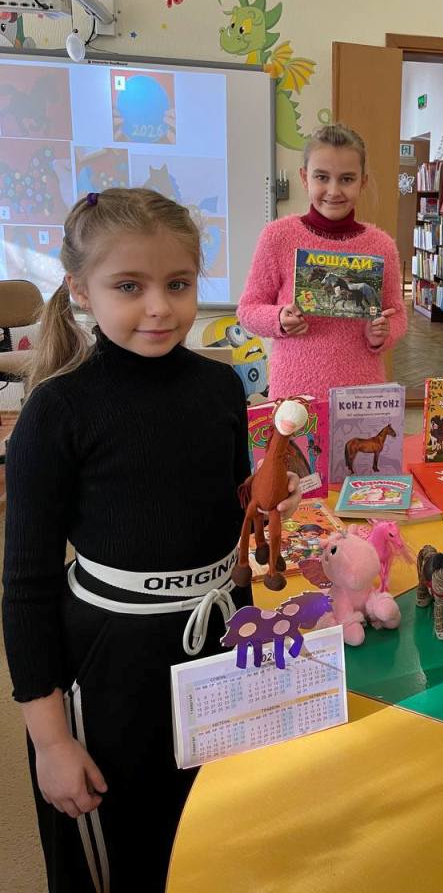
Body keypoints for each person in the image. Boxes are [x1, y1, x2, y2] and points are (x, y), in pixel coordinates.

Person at [1, 188, 300, 892]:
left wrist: (262, 504)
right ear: (81, 289)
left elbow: (223, 515)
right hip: (110, 665)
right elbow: (26, 585)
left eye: (179, 284)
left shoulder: (221, 387)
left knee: (210, 831)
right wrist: (51, 741)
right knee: (119, 852)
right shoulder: (58, 408)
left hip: (217, 640)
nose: (160, 307)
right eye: (129, 287)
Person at [237, 123, 407, 401]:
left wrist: (382, 333)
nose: (333, 190)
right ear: (305, 178)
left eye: (347, 179)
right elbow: (248, 309)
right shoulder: (278, 237)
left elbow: (397, 314)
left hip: (360, 393)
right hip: (294, 392)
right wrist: (279, 318)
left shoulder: (381, 245)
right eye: (322, 177)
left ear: (363, 181)